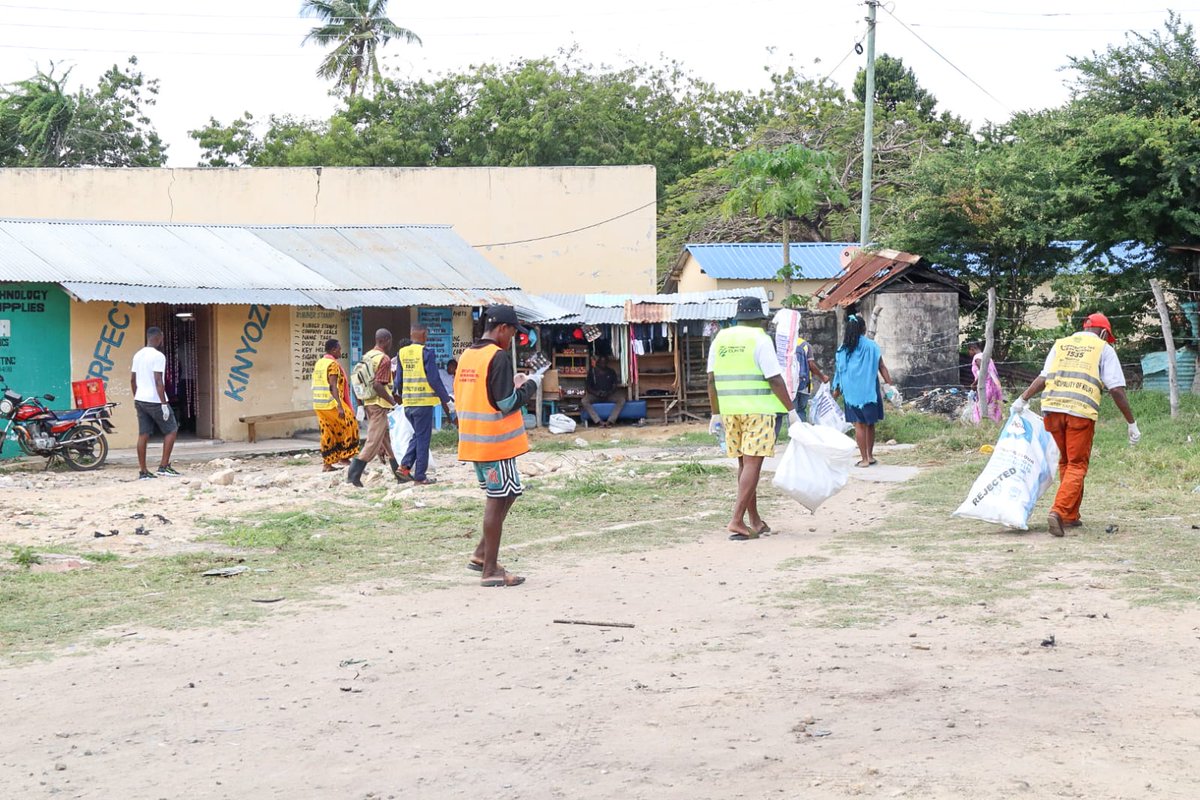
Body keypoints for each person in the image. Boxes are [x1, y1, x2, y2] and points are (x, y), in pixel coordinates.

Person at [1011, 313, 1140, 537]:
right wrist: (1131, 422)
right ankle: (1059, 511)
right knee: (1077, 465)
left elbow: (1043, 377)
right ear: (1103, 333)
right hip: (1080, 413)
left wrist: (1022, 399)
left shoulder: (1060, 344)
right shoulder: (1103, 348)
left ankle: (1070, 515)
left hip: (1051, 410)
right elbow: (1116, 389)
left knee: (1066, 461)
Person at [457, 305, 541, 587]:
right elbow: (506, 403)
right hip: (495, 442)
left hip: (475, 440)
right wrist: (530, 385)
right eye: (513, 333)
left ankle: (482, 554)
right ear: (503, 329)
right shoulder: (498, 356)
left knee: (509, 492)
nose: (513, 339)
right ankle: (490, 570)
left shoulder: (468, 355)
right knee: (497, 499)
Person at [707, 297, 799, 541]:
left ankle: (755, 521)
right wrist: (791, 410)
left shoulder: (720, 338)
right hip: (758, 411)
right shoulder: (761, 339)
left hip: (730, 411)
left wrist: (715, 412)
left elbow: (711, 379)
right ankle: (737, 520)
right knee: (753, 465)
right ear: (759, 318)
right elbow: (774, 379)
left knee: (744, 465)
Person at [394, 323, 454, 485]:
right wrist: (447, 400)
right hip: (423, 404)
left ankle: (404, 467)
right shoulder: (426, 353)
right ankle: (420, 476)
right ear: (425, 335)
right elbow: (434, 379)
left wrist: (401, 398)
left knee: (418, 435)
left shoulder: (402, 353)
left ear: (411, 334)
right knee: (423, 440)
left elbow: (398, 381)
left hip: (408, 404)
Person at [831, 314, 894, 468]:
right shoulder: (872, 346)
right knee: (870, 424)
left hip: (851, 393)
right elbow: (881, 366)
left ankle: (864, 459)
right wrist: (890, 385)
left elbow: (839, 372)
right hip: (870, 391)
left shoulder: (843, 349)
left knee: (859, 425)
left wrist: (836, 390)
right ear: (864, 329)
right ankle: (870, 457)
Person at [346, 328, 402, 487]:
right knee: (372, 442)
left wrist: (360, 404)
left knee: (386, 440)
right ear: (386, 340)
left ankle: (400, 473)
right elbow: (378, 385)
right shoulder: (384, 359)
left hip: (369, 403)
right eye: (390, 341)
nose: (390, 344)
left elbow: (356, 381)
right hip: (379, 405)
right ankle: (353, 476)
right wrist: (393, 402)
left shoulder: (367, 356)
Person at [130, 327, 180, 480]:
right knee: (171, 429)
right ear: (159, 338)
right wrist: (164, 404)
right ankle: (163, 466)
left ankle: (143, 471)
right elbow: (158, 381)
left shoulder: (138, 355)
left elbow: (132, 380)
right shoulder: (158, 356)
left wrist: (137, 396)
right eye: (162, 338)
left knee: (143, 434)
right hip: (155, 400)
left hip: (140, 399)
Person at [311, 338, 359, 472]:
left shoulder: (320, 362)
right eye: (339, 349)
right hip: (331, 403)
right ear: (333, 350)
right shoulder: (332, 365)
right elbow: (333, 386)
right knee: (350, 424)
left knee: (328, 432)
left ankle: (327, 464)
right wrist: (339, 406)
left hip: (319, 403)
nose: (340, 351)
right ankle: (345, 457)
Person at [582, 355, 625, 427]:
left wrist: (609, 392)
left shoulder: (611, 371)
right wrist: (596, 393)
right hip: (596, 395)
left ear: (607, 363)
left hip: (608, 395)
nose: (603, 364)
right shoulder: (592, 372)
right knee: (584, 401)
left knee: (621, 400)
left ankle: (610, 421)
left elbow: (615, 385)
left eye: (604, 362)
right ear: (598, 363)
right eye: (601, 362)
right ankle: (598, 421)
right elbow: (588, 387)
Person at [793, 334, 828, 423]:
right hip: (807, 384)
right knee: (802, 409)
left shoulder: (786, 344)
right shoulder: (806, 345)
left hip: (791, 383)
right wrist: (822, 377)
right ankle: (803, 429)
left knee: (793, 411)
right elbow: (811, 365)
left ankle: (793, 430)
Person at [967, 341, 1004, 423]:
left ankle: (983, 425)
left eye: (969, 351)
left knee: (981, 408)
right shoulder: (986, 356)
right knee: (993, 407)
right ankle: (993, 425)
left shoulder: (977, 358)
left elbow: (983, 371)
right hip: (994, 386)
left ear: (972, 349)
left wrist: (974, 384)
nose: (969, 353)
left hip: (985, 387)